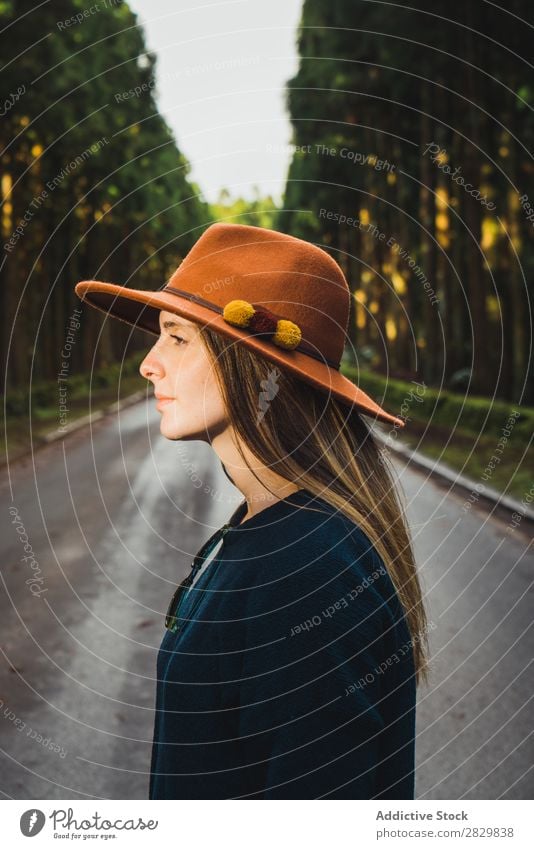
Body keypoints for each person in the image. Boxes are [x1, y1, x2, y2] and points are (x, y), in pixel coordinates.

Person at [74, 222, 430, 799]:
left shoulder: (311, 569)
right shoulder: (267, 530)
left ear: (257, 367)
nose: (149, 363)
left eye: (177, 338)